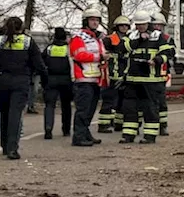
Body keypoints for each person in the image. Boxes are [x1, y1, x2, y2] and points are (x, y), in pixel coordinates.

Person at [0, 17, 45, 160]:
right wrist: (44, 80)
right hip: (21, 80)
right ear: (22, 28)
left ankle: (5, 145)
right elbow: (39, 64)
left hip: (2, 80)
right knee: (15, 114)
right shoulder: (28, 42)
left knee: (4, 113)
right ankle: (12, 148)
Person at [121, 12, 164, 144]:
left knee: (150, 108)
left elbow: (168, 51)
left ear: (148, 23)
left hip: (150, 80)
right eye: (138, 25)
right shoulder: (130, 35)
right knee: (130, 109)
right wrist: (139, 40)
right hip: (132, 79)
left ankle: (150, 136)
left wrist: (157, 59)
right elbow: (122, 48)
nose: (140, 27)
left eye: (143, 24)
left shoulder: (158, 36)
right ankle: (128, 135)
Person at [69, 9, 107, 147]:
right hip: (83, 78)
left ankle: (85, 133)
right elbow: (78, 55)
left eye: (97, 20)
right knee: (83, 109)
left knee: (90, 110)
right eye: (92, 20)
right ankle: (78, 136)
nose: (95, 22)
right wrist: (99, 57)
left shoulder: (97, 38)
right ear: (86, 21)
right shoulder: (79, 37)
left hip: (95, 79)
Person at [98, 15, 131, 134]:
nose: (124, 27)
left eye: (126, 25)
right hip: (111, 74)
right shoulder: (109, 39)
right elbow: (103, 53)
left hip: (124, 74)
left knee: (123, 100)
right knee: (109, 99)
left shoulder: (130, 39)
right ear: (117, 27)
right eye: (121, 25)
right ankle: (103, 124)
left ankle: (119, 123)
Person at [41, 27, 74, 139]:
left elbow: (42, 62)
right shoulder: (68, 49)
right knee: (66, 105)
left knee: (50, 105)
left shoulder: (49, 48)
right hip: (66, 80)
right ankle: (66, 130)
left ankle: (48, 129)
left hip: (51, 79)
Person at [149, 12, 174, 136]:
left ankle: (163, 126)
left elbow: (171, 53)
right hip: (147, 74)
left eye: (160, 25)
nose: (157, 27)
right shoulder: (146, 38)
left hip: (162, 74)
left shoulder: (167, 39)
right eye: (155, 25)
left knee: (161, 101)